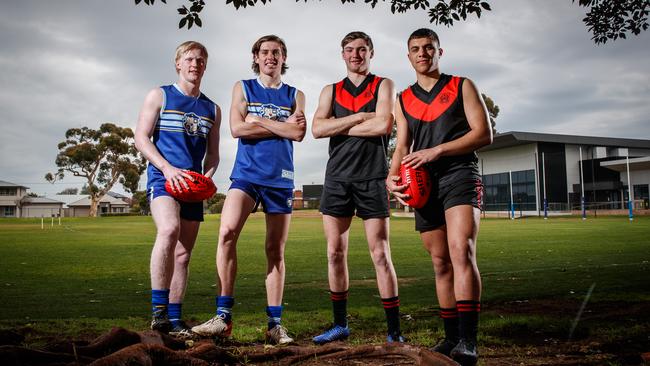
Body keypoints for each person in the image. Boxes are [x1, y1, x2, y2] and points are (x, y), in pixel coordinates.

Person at [386, 28, 492, 366]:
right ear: (409, 56)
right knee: (440, 261)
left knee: (462, 250)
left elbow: (483, 133)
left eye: (428, 47)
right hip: (423, 182)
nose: (422, 53)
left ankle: (468, 341)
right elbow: (402, 144)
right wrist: (392, 176)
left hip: (459, 172)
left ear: (439, 52)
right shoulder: (402, 99)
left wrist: (437, 150)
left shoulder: (462, 85)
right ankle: (450, 337)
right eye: (415, 49)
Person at [191, 35, 306, 345]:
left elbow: (297, 133)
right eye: (265, 52)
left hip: (280, 178)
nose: (270, 57)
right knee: (226, 233)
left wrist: (260, 119)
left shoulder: (296, 95)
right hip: (246, 175)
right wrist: (276, 124)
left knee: (274, 250)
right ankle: (223, 317)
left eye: (277, 52)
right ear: (256, 57)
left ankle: (274, 324)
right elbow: (236, 128)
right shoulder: (242, 87)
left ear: (284, 58)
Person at [311, 31, 402, 344]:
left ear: (371, 53)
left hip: (371, 177)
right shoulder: (330, 90)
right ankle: (340, 326)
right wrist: (362, 116)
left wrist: (343, 123)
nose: (356, 55)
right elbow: (317, 128)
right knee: (335, 252)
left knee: (380, 254)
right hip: (337, 178)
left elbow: (384, 125)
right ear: (343, 54)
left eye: (362, 49)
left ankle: (394, 332)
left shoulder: (383, 85)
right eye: (349, 50)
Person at [135, 41, 221, 340]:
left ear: (205, 66)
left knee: (183, 255)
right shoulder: (160, 95)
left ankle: (174, 318)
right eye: (189, 59)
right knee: (169, 230)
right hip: (164, 179)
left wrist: (206, 179)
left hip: (192, 188)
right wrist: (168, 169)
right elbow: (141, 138)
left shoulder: (212, 108)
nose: (195, 64)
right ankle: (158, 314)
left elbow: (213, 155)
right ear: (178, 64)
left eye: (200, 60)